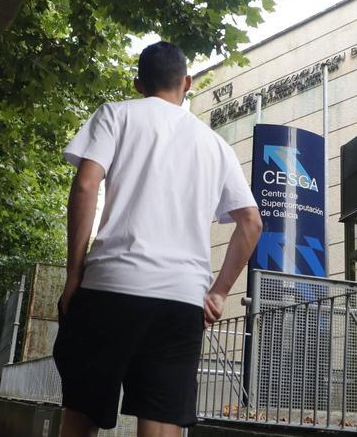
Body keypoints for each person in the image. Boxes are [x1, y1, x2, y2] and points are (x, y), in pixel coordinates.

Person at [52, 41, 262, 437]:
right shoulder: (215, 144)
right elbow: (251, 222)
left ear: (138, 84)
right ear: (187, 83)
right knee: (162, 423)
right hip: (181, 300)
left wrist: (74, 273)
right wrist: (218, 292)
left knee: (82, 414)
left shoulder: (116, 115)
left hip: (110, 288)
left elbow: (85, 186)